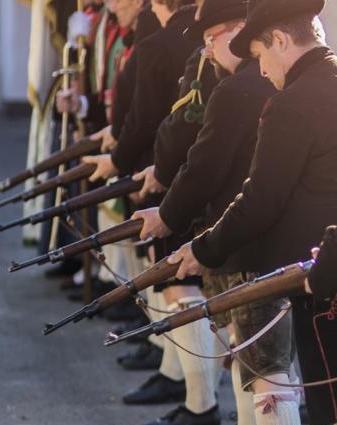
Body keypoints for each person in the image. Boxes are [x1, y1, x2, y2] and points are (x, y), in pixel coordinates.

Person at [169, 0, 337, 422]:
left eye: (261, 55)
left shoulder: (290, 105)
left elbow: (261, 201)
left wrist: (203, 249)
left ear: (280, 40)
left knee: (327, 407)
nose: (260, 71)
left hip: (323, 276)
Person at [133, 0, 279, 423]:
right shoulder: (246, 82)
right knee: (254, 361)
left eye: (212, 39)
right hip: (261, 237)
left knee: (263, 368)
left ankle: (202, 407)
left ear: (238, 30)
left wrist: (168, 216)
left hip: (248, 243)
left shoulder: (235, 90)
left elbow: (204, 164)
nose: (207, 51)